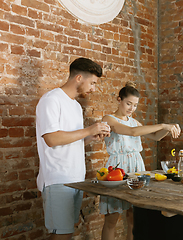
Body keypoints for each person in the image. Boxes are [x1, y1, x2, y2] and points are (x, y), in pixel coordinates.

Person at [36, 57, 111, 240]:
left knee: (67, 233)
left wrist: (89, 138)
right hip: (58, 179)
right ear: (78, 78)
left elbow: (67, 140)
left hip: (76, 178)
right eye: (92, 83)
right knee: (61, 235)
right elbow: (52, 139)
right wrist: (88, 130)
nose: (93, 88)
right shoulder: (51, 100)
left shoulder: (76, 106)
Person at [100, 82, 181, 240]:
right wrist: (164, 124)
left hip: (136, 167)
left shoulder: (134, 121)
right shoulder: (109, 119)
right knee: (112, 218)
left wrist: (168, 129)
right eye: (128, 103)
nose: (131, 108)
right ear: (119, 100)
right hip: (117, 167)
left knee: (133, 217)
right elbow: (132, 132)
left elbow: (155, 137)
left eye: (135, 105)